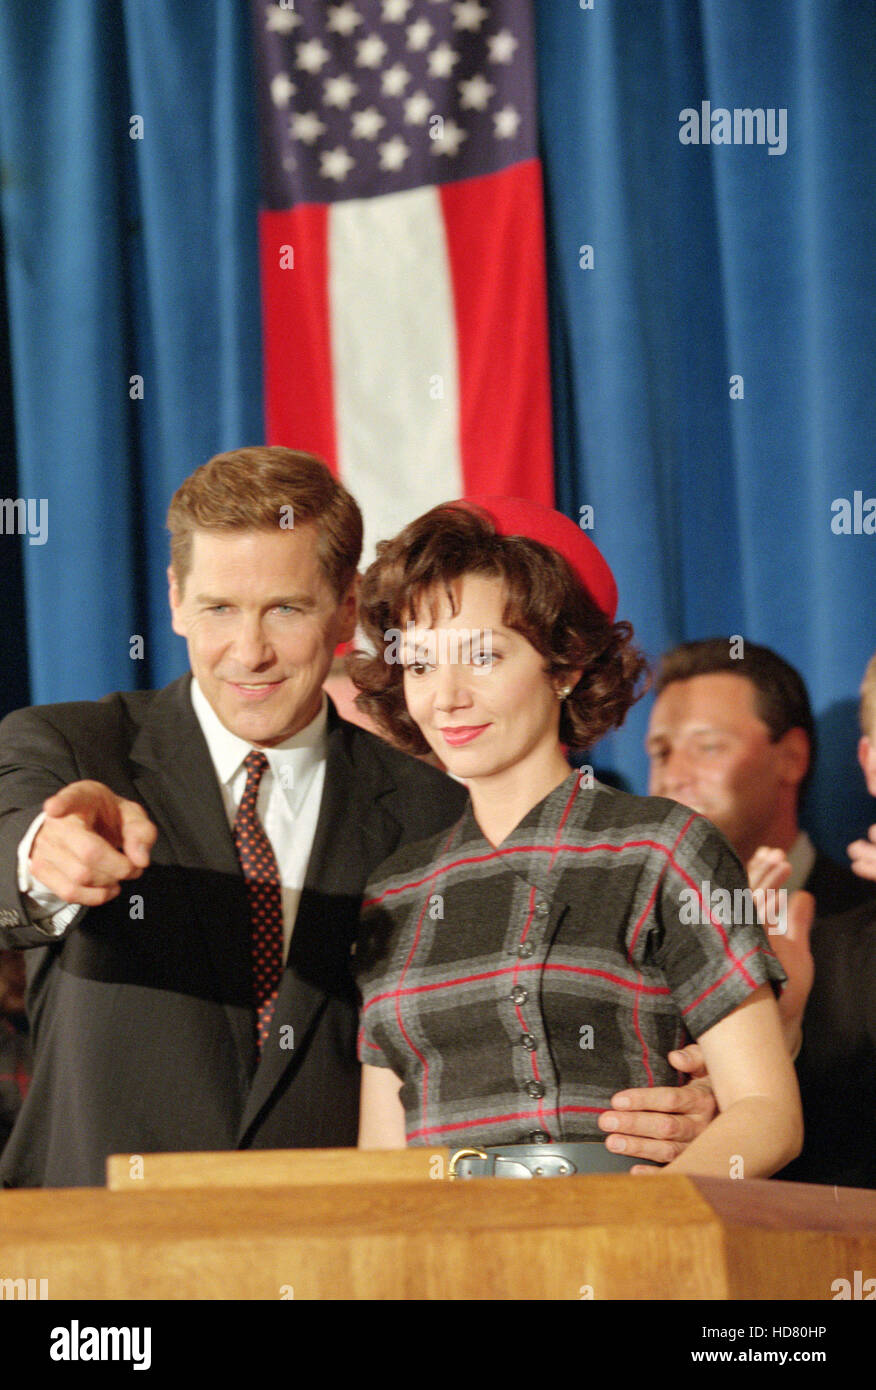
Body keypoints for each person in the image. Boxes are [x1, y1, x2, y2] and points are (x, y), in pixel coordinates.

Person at [0, 447, 467, 1187]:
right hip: (96, 1258)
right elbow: (9, 848)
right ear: (177, 598)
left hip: (326, 1258)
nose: (249, 653)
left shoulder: (431, 811)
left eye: (285, 608)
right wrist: (44, 856)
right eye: (220, 609)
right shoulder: (73, 746)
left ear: (346, 608)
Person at [351, 500, 802, 1178]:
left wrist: (637, 1231)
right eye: (419, 665)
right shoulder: (395, 889)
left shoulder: (662, 847)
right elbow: (380, 1159)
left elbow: (766, 1111)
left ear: (564, 666)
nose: (445, 697)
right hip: (434, 1259)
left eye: (481, 657)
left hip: (615, 1246)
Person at [646, 639, 876, 917]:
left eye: (707, 746)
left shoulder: (863, 920)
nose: (673, 777)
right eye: (661, 753)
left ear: (792, 757)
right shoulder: (630, 930)